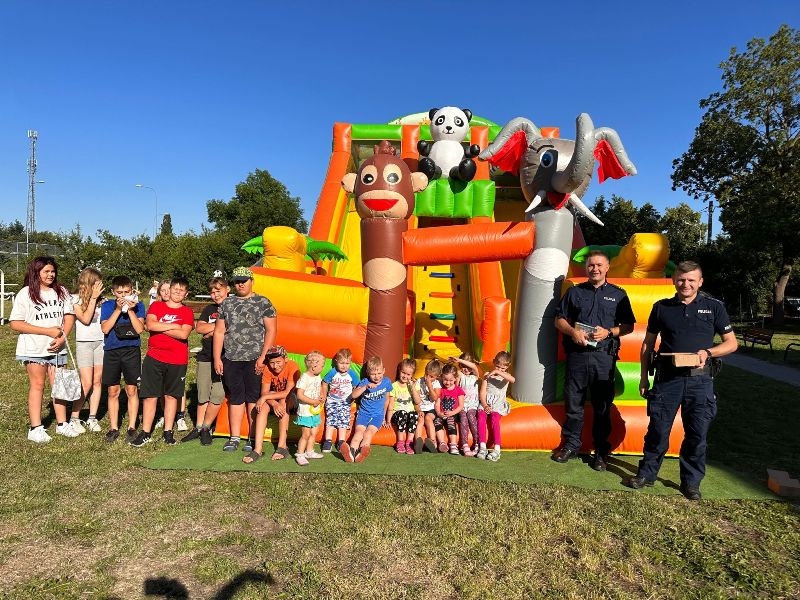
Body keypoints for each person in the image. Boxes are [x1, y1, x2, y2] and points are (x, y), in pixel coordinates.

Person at [624, 261, 737, 500]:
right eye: (681, 279)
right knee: (657, 430)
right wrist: (644, 377)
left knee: (697, 434)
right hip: (667, 380)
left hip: (700, 382)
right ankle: (646, 474)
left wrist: (708, 352)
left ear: (700, 282)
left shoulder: (714, 307)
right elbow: (647, 344)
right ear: (674, 280)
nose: (686, 284)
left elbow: (731, 343)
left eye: (691, 280)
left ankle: (691, 482)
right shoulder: (661, 307)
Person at [552, 250, 636, 471]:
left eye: (599, 265)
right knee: (573, 404)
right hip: (577, 357)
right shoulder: (574, 292)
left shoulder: (619, 295)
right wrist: (572, 332)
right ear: (586, 268)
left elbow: (628, 326)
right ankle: (571, 445)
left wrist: (609, 332)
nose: (595, 269)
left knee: (602, 406)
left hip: (604, 359)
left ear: (607, 268)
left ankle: (600, 452)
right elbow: (559, 320)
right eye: (591, 265)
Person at [10, 256, 77, 442]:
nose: (50, 275)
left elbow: (69, 316)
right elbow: (15, 323)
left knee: (59, 385)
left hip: (57, 348)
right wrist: (47, 331)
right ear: (36, 272)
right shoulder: (26, 293)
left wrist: (63, 336)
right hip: (34, 348)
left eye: (53, 271)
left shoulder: (61, 291)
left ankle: (62, 424)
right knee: (38, 385)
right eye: (46, 271)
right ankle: (36, 427)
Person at [213, 266, 277, 452]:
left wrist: (264, 356)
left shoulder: (263, 302)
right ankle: (234, 437)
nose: (240, 284)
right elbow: (219, 331)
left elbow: (271, 330)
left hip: (255, 358)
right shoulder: (226, 304)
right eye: (237, 281)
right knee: (235, 397)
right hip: (231, 358)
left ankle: (252, 436)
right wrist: (217, 358)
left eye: (244, 280)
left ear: (251, 281)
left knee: (253, 398)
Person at [131, 278, 195, 447]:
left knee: (171, 396)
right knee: (150, 396)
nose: (177, 292)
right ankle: (145, 432)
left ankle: (168, 432)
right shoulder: (156, 306)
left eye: (182, 291)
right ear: (170, 289)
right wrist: (174, 326)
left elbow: (184, 335)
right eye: (175, 289)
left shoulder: (187, 312)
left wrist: (163, 326)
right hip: (154, 357)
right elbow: (150, 325)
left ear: (186, 294)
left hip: (177, 360)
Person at [182, 277, 230, 443]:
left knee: (217, 394)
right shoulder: (210, 309)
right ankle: (198, 427)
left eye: (218, 290)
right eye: (212, 292)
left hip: (226, 358)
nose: (215, 295)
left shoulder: (234, 306)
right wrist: (218, 329)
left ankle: (206, 427)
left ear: (228, 289)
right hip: (205, 357)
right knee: (202, 394)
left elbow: (233, 329)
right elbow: (199, 328)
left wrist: (213, 332)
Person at [100, 275, 146, 443]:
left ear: (132, 291)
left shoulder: (139, 306)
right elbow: (105, 328)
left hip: (131, 350)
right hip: (112, 351)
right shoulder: (107, 306)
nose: (123, 296)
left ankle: (132, 427)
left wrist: (131, 310)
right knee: (113, 390)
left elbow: (140, 329)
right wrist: (118, 310)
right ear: (113, 292)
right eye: (119, 293)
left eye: (126, 292)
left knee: (132, 389)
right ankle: (113, 427)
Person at [242, 345, 299, 462]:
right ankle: (257, 449)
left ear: (285, 359)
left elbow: (287, 392)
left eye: (278, 362)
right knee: (263, 406)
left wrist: (267, 397)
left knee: (283, 401)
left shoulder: (292, 366)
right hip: (274, 398)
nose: (275, 366)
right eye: (272, 362)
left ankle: (282, 446)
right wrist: (273, 403)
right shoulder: (268, 368)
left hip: (292, 399)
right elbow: (264, 392)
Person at [70, 268, 105, 433]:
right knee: (87, 382)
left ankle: (92, 417)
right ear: (89, 282)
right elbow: (84, 319)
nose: (100, 285)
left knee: (97, 381)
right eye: (97, 282)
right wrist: (93, 298)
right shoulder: (75, 299)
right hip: (84, 343)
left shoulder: (101, 300)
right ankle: (74, 417)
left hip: (100, 342)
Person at [340, 356, 392, 463]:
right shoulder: (365, 382)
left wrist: (384, 417)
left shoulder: (386, 382)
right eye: (373, 374)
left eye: (379, 373)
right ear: (368, 373)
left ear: (383, 371)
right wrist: (365, 387)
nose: (376, 377)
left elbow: (387, 400)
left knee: (368, 433)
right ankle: (351, 453)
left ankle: (361, 452)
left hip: (377, 415)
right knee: (358, 432)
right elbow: (353, 395)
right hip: (363, 414)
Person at [477, 351, 515, 461]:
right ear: (494, 362)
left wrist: (497, 371)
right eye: (497, 366)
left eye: (503, 368)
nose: (499, 370)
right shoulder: (487, 375)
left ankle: (497, 449)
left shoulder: (506, 376)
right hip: (486, 402)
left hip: (498, 403)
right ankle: (482, 446)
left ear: (507, 367)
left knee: (494, 417)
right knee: (481, 417)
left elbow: (513, 380)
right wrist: (484, 405)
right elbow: (483, 392)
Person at [320, 347, 360, 453]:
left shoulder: (351, 374)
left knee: (343, 420)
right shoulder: (333, 372)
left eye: (347, 363)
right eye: (342, 363)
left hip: (345, 402)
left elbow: (356, 386)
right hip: (332, 400)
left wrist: (353, 397)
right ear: (336, 362)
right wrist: (324, 395)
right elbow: (324, 383)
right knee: (331, 420)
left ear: (350, 363)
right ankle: (328, 440)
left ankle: (341, 441)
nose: (344, 366)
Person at [293, 350, 326, 465]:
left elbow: (319, 387)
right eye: (322, 366)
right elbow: (299, 395)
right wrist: (313, 401)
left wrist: (321, 396)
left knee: (313, 432)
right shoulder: (304, 378)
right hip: (305, 412)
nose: (323, 368)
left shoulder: (317, 376)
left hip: (315, 410)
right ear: (314, 366)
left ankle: (309, 451)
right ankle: (300, 454)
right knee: (306, 434)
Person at [450, 353, 482, 456]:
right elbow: (456, 386)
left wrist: (460, 361)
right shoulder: (460, 374)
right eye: (463, 367)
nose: (466, 369)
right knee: (463, 419)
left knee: (471, 416)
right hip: (462, 404)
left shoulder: (475, 376)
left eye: (468, 367)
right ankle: (464, 444)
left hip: (473, 404)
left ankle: (478, 443)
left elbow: (473, 366)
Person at [386, 358, 421, 454]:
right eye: (403, 373)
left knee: (413, 414)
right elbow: (391, 405)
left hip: (409, 414)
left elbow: (417, 402)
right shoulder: (394, 386)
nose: (405, 376)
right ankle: (400, 442)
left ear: (412, 375)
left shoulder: (414, 386)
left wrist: (412, 387)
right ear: (399, 371)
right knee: (402, 413)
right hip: (397, 414)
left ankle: (409, 442)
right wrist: (388, 420)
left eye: (408, 374)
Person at [412, 358, 443, 454]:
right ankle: (418, 442)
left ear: (437, 377)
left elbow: (434, 398)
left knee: (428, 419)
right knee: (420, 419)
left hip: (431, 408)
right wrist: (418, 410)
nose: (427, 378)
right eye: (426, 374)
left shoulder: (436, 384)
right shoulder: (419, 382)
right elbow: (416, 399)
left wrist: (430, 385)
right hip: (421, 407)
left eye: (431, 376)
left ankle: (432, 442)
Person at [436, 363, 465, 455]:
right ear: (442, 378)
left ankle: (453, 444)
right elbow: (437, 403)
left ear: (455, 378)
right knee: (437, 421)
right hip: (441, 413)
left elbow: (461, 406)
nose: (447, 382)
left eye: (451, 380)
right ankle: (442, 442)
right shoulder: (441, 390)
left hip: (452, 414)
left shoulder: (458, 390)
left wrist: (452, 413)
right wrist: (439, 413)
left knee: (451, 422)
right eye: (445, 380)